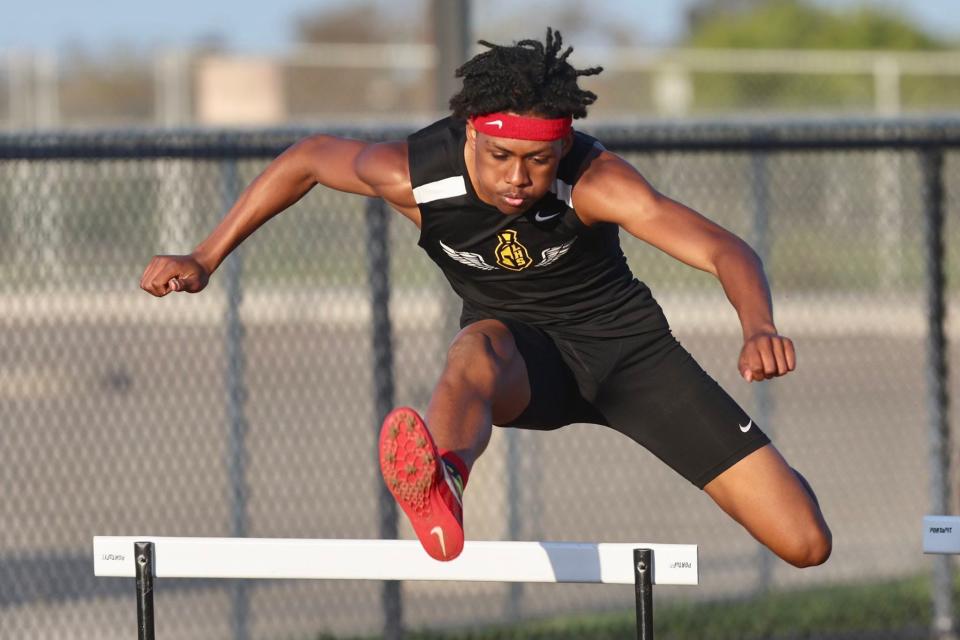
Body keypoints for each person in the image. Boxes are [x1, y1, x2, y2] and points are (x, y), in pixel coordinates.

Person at [140, 28, 831, 567]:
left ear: (561, 152)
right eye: (501, 157)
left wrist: (758, 324)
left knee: (804, 542)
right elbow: (309, 158)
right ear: (471, 131)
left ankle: (772, 471)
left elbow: (722, 248)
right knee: (473, 349)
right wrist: (205, 256)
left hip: (631, 362)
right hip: (520, 358)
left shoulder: (597, 181)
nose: (517, 179)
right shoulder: (413, 175)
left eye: (537, 162)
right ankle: (441, 481)